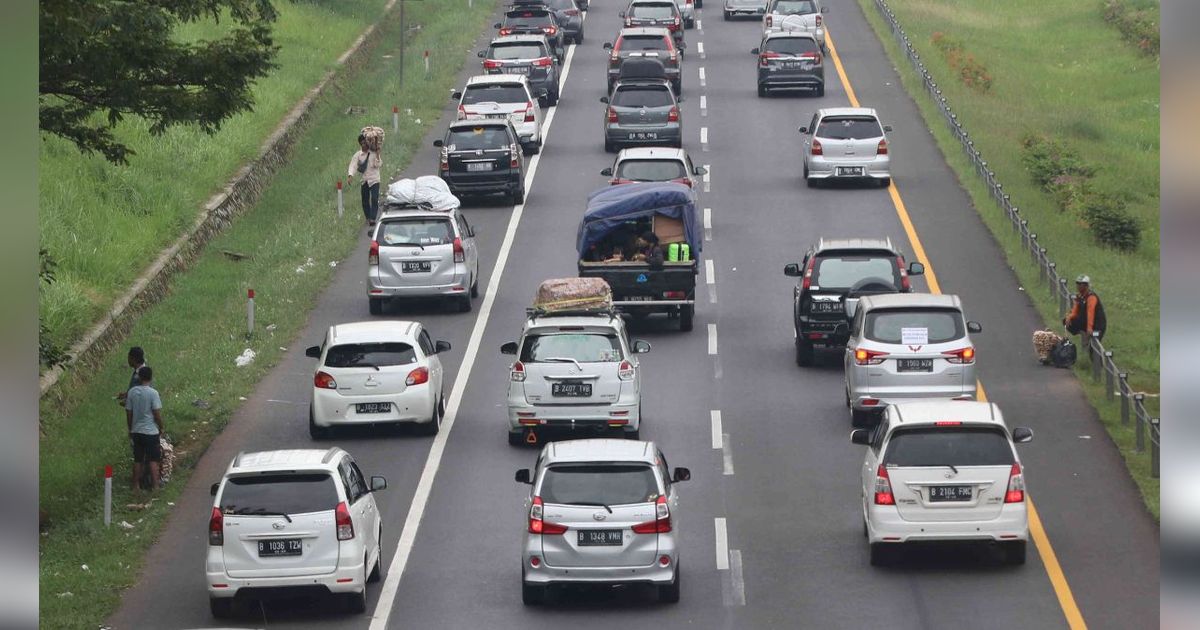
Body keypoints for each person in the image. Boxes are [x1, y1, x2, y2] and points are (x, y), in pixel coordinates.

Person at [125, 366, 164, 492]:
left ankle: (135, 485)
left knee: (138, 459)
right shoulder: (153, 393)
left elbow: (129, 413)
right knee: (153, 459)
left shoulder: (132, 392)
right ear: (151, 378)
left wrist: (130, 429)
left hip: (136, 431)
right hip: (151, 431)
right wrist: (161, 426)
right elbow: (156, 413)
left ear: (139, 377)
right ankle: (155, 485)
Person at [346, 134, 382, 230]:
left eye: (365, 143)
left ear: (368, 143)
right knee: (365, 200)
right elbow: (353, 165)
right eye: (361, 144)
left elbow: (378, 165)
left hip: (374, 179)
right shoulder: (358, 155)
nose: (363, 145)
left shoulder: (373, 153)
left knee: (374, 198)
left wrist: (378, 154)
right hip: (365, 180)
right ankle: (368, 217)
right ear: (360, 144)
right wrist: (350, 176)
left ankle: (373, 218)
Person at [1063, 274, 1107, 342]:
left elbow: (1091, 313)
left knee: (1093, 348)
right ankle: (1082, 333)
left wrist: (1089, 328)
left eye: (1080, 284)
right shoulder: (1080, 296)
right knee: (1067, 321)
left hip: (1098, 325)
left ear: (1086, 285)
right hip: (1086, 321)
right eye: (1077, 283)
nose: (1078, 286)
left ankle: (1088, 339)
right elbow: (1075, 309)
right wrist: (1069, 317)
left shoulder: (1091, 297)